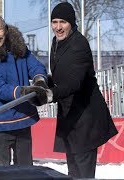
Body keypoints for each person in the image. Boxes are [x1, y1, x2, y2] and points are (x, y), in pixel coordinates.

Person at [25, 2, 118, 178]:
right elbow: (60, 77)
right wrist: (42, 86)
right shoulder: (57, 42)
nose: (58, 27)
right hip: (70, 116)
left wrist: (49, 95)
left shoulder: (79, 45)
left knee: (83, 174)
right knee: (72, 172)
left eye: (63, 22)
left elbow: (74, 82)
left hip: (85, 118)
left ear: (72, 23)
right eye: (54, 22)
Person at [0, 15, 48, 166]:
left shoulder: (20, 51)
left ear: (6, 30)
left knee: (26, 170)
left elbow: (35, 66)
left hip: (22, 119)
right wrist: (23, 92)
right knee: (1, 173)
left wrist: (39, 80)